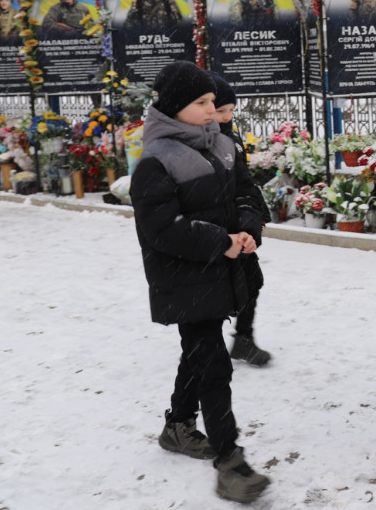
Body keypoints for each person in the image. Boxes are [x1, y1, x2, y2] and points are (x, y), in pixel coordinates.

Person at [129, 61, 270, 504]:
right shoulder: (156, 163)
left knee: (199, 353)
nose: (214, 110)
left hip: (223, 268)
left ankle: (177, 425)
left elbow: (247, 194)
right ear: (174, 109)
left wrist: (247, 228)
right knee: (213, 364)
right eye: (203, 103)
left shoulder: (224, 146)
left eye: (214, 102)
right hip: (185, 278)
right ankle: (230, 461)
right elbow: (162, 230)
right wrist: (220, 242)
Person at [209, 72, 272, 367]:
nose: (226, 116)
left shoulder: (231, 138)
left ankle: (243, 338)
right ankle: (207, 344)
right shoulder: (197, 142)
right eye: (221, 110)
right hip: (214, 231)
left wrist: (250, 221)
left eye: (231, 110)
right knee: (214, 290)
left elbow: (243, 183)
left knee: (252, 281)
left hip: (239, 227)